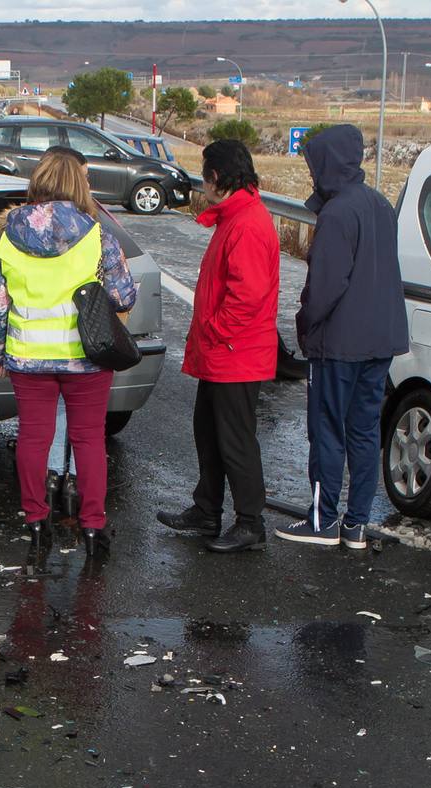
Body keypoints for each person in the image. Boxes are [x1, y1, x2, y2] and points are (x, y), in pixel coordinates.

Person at [0, 148, 136, 560]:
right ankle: (93, 528)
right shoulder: (97, 234)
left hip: (28, 358)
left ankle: (36, 523)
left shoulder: (7, 236)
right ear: (77, 184)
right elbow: (124, 294)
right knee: (88, 440)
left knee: (34, 439)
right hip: (86, 358)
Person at [278, 124, 407, 551]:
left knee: (327, 430)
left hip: (339, 343)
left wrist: (304, 323)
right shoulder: (379, 205)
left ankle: (323, 519)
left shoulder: (336, 214)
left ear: (328, 164)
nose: (313, 174)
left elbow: (326, 287)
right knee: (365, 432)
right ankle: (356, 524)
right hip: (381, 338)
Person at [156, 140, 277, 553]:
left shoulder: (246, 223)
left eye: (205, 175)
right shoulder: (235, 217)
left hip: (235, 353)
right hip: (223, 352)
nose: (201, 184)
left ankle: (250, 523)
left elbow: (248, 297)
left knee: (235, 441)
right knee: (208, 434)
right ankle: (206, 510)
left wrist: (215, 330)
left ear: (218, 179)